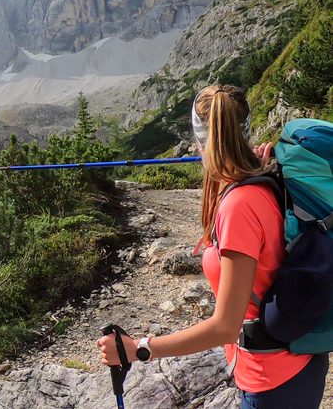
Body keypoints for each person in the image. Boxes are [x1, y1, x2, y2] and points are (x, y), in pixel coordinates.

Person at [97, 85, 329, 409]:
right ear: (245, 131)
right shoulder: (263, 179)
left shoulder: (240, 205)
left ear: (198, 138)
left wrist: (140, 348)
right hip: (293, 367)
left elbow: (225, 326)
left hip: (273, 379)